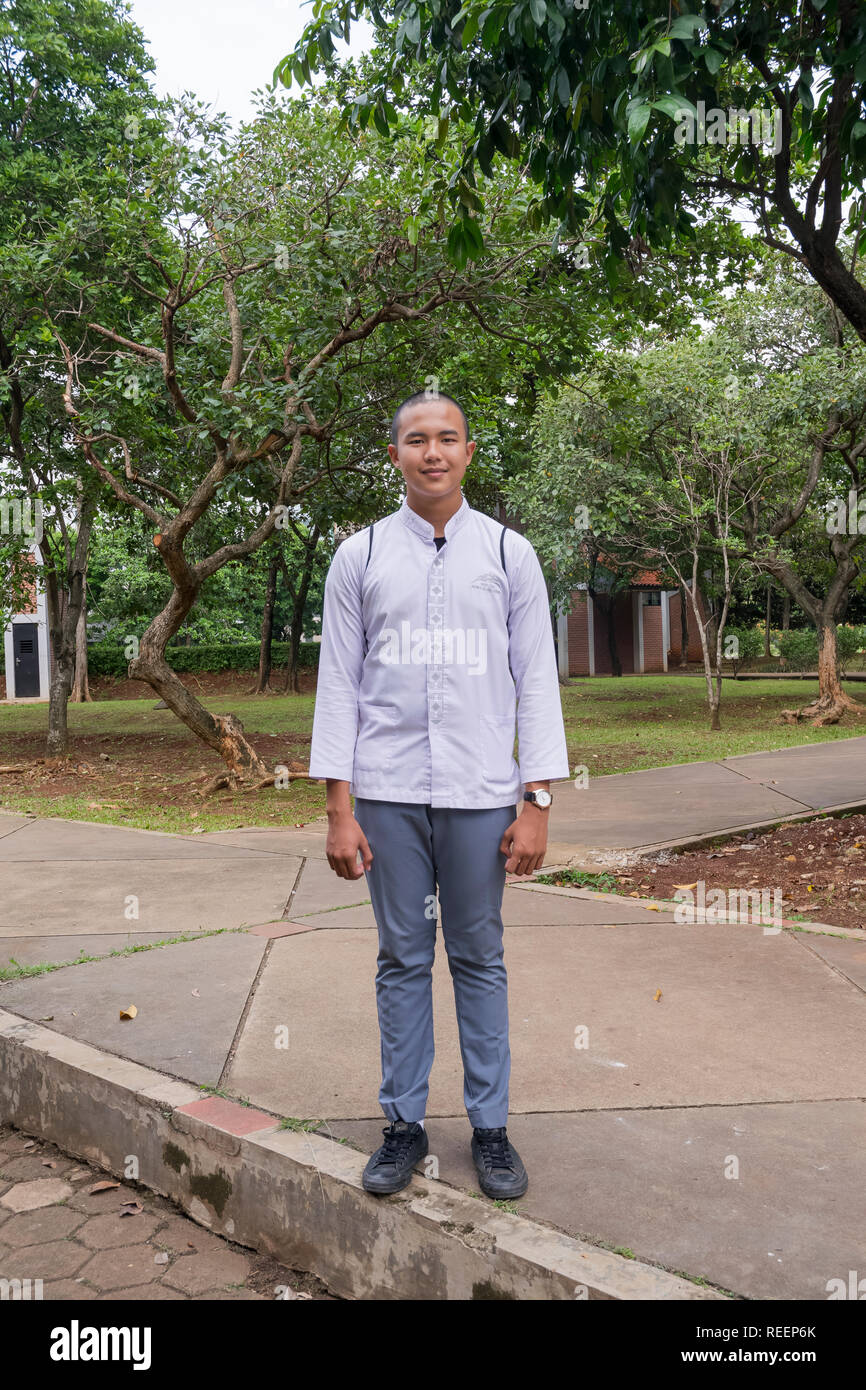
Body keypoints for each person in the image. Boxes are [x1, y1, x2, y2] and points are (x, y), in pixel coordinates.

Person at [308, 389, 570, 1198]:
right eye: (416, 440)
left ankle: (490, 1130)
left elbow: (536, 682)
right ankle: (403, 1127)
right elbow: (339, 687)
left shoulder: (506, 553)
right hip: (385, 795)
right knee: (402, 959)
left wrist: (538, 802)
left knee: (479, 955)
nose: (432, 452)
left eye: (447, 438)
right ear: (394, 455)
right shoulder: (359, 557)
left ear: (467, 452)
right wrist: (340, 810)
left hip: (482, 793)